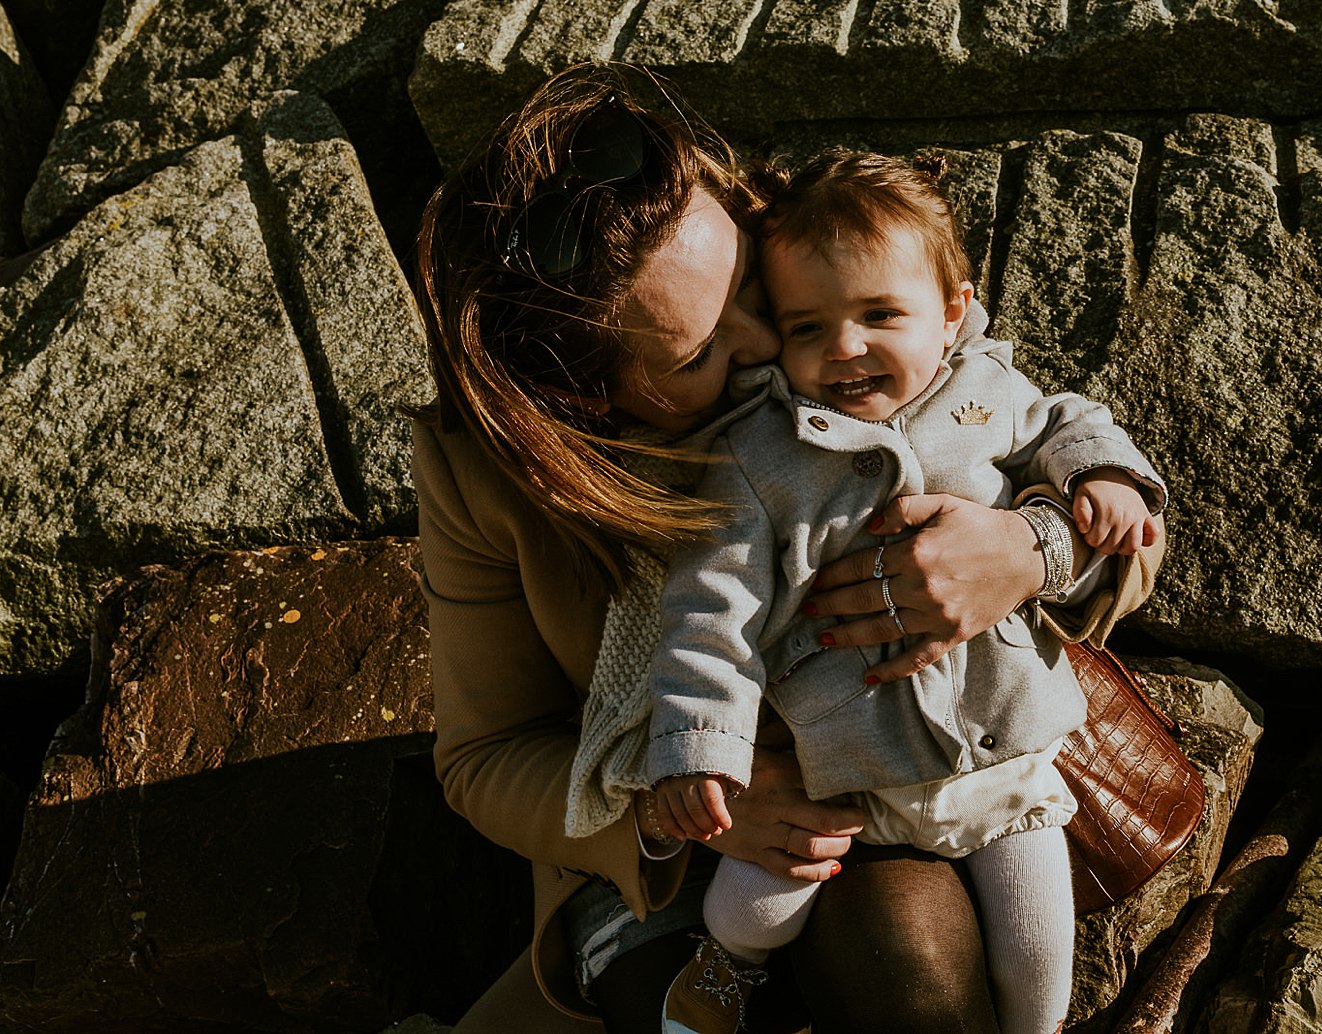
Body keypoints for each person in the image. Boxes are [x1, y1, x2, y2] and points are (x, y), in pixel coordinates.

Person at [411, 63, 1165, 1033]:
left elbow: (1076, 474)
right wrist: (662, 805)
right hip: (676, 858)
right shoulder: (484, 469)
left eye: (749, 294)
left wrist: (1027, 548)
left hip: (914, 758)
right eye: (701, 356)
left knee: (906, 954)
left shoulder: (822, 260)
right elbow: (482, 754)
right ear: (581, 396)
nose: (772, 346)